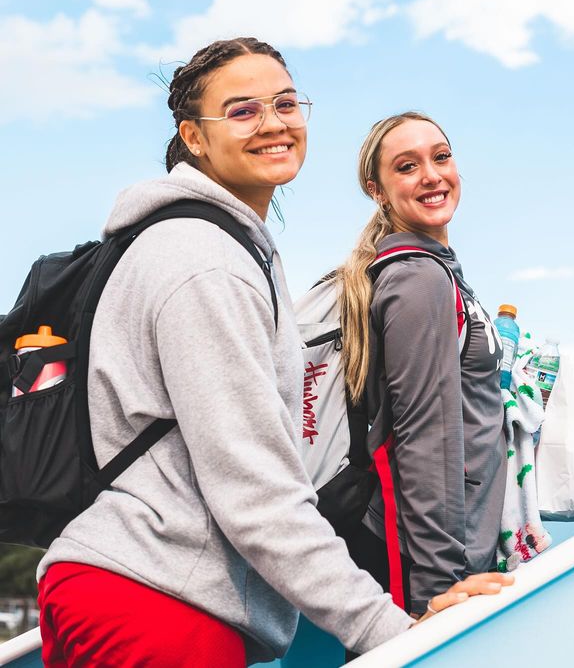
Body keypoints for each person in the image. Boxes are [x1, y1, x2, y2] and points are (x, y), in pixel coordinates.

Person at [36, 40, 512, 666]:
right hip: (158, 598)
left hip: (130, 586)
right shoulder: (205, 263)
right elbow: (257, 494)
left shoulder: (208, 245)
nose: (274, 121)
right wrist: (396, 632)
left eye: (286, 102)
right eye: (242, 110)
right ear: (194, 137)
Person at [337, 112, 507, 620]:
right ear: (378, 190)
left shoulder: (436, 269)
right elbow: (420, 436)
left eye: (441, 157)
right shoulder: (418, 279)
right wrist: (436, 589)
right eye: (407, 166)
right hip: (437, 570)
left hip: (458, 550)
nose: (432, 176)